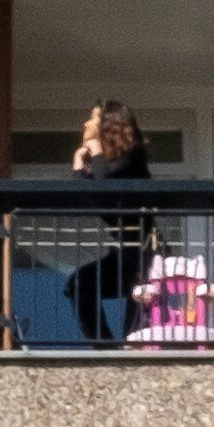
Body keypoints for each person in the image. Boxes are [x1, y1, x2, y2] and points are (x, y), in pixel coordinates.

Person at [54, 102, 161, 349]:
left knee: (134, 331)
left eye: (91, 119)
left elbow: (104, 189)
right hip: (128, 253)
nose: (85, 124)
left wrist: (94, 150)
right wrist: (79, 164)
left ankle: (119, 354)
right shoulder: (109, 163)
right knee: (78, 285)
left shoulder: (132, 157)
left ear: (107, 126)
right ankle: (106, 349)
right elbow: (89, 199)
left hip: (144, 253)